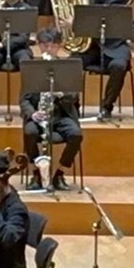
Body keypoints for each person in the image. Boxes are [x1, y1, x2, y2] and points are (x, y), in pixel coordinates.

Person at [21, 28, 84, 191]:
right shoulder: (32, 68)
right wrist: (33, 114)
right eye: (45, 45)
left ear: (59, 46)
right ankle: (37, 173)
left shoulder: (68, 68)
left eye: (53, 46)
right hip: (39, 116)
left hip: (62, 115)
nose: (49, 49)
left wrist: (60, 94)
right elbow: (24, 99)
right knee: (29, 132)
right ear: (39, 45)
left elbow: (74, 97)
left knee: (76, 134)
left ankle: (59, 174)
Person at [80, 0, 133, 120]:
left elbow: (114, 30)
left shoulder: (119, 0)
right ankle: (71, 106)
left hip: (114, 46)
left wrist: (77, 23)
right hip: (93, 47)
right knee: (71, 63)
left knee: (119, 66)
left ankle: (107, 107)